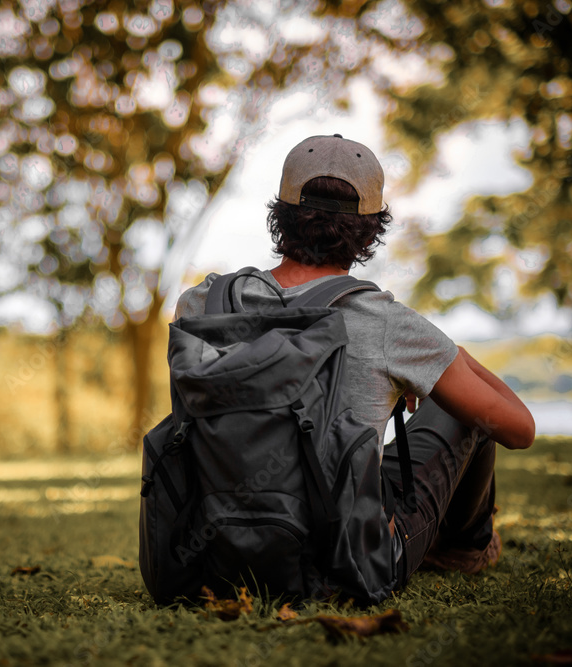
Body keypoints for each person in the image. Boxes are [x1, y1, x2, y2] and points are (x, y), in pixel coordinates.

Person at [172, 134, 535, 589]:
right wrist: (448, 357)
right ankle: (463, 550)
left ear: (280, 214)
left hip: (213, 550)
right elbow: (519, 430)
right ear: (371, 228)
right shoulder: (386, 322)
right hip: (346, 560)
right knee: (459, 409)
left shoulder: (203, 303)